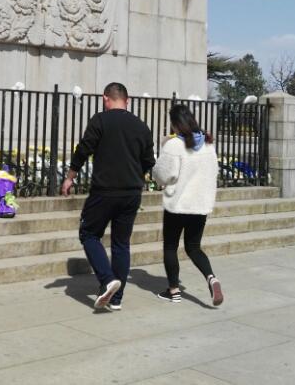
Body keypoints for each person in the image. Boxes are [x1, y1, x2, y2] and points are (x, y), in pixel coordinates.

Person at [62, 82, 155, 311]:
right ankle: (116, 299)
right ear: (127, 100)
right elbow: (149, 161)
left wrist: (70, 176)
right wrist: (135, 176)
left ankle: (107, 279)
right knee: (121, 244)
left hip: (105, 190)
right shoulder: (141, 126)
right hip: (131, 192)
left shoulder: (100, 120)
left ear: (105, 99)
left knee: (89, 233)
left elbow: (84, 149)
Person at [151, 103, 223, 306]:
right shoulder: (208, 144)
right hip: (200, 205)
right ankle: (211, 277)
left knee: (170, 246)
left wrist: (165, 148)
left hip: (178, 204)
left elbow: (163, 174)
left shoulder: (174, 145)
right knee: (193, 247)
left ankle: (174, 291)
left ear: (175, 124)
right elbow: (214, 172)